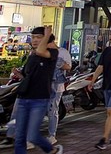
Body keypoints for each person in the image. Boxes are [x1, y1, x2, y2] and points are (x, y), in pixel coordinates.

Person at [14, 26, 62, 154]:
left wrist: (47, 35)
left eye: (39, 37)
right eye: (33, 37)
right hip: (23, 98)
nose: (35, 40)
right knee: (19, 137)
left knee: (32, 136)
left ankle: (51, 149)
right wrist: (18, 74)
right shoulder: (32, 55)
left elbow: (41, 51)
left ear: (47, 40)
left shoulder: (52, 53)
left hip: (39, 99)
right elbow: (26, 75)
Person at [47, 36, 72, 146]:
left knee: (53, 110)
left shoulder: (62, 52)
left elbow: (68, 67)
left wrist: (57, 62)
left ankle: (52, 135)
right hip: (43, 85)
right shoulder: (42, 52)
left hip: (57, 85)